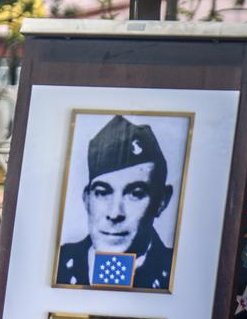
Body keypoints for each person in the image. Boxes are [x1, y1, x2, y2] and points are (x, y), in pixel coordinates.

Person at [57, 115, 174, 289]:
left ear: (161, 201)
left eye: (135, 193)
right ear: (86, 199)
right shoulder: (55, 264)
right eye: (102, 193)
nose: (114, 213)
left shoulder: (179, 271)